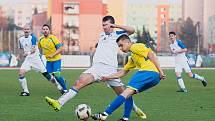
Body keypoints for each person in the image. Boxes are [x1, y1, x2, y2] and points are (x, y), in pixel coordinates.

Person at [44, 16, 146, 119]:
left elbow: (132, 30)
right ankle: (58, 103)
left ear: (111, 25)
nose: (104, 27)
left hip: (110, 69)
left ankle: (135, 109)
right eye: (103, 25)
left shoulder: (118, 35)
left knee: (125, 94)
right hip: (95, 68)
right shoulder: (101, 35)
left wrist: (116, 26)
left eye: (106, 25)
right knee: (78, 82)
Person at [92, 34, 166, 121]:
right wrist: (108, 77)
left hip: (147, 72)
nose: (120, 48)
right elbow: (123, 72)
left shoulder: (135, 46)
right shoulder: (133, 57)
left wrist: (161, 71)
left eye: (121, 45)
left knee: (125, 93)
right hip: (155, 78)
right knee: (128, 94)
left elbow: (151, 54)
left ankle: (104, 114)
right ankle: (125, 118)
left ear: (127, 42)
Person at [17, 24, 62, 96]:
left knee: (47, 76)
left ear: (30, 30)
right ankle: (26, 91)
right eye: (25, 29)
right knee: (21, 73)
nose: (26, 31)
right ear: (23, 30)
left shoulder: (33, 38)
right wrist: (19, 55)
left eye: (28, 29)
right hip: (28, 60)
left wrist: (27, 53)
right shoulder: (20, 39)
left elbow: (33, 49)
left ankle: (59, 87)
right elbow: (20, 48)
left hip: (36, 60)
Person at [38, 24, 67, 94]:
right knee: (51, 77)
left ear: (49, 30)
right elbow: (37, 49)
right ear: (42, 30)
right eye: (44, 29)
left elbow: (60, 49)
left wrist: (53, 54)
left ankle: (65, 90)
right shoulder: (40, 39)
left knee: (56, 75)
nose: (45, 31)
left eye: (46, 29)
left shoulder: (53, 38)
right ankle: (62, 80)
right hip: (48, 61)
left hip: (56, 60)